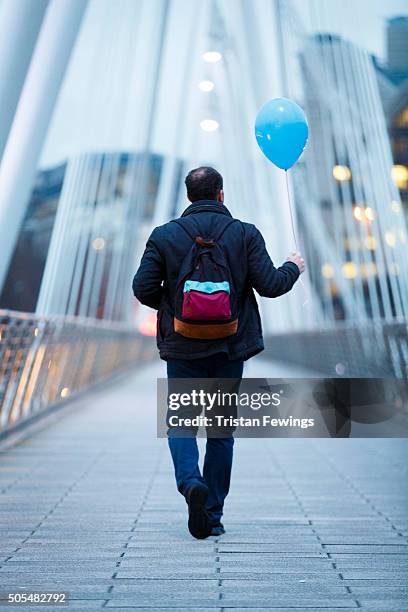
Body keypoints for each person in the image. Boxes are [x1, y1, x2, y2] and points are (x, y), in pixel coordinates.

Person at [132, 166, 305, 539]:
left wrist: (175, 307)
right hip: (230, 346)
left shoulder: (164, 236)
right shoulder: (244, 234)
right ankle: (212, 514)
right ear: (221, 194)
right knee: (220, 432)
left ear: (189, 196)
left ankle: (191, 483)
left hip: (182, 346)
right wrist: (294, 267)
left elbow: (143, 287)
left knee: (180, 424)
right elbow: (272, 285)